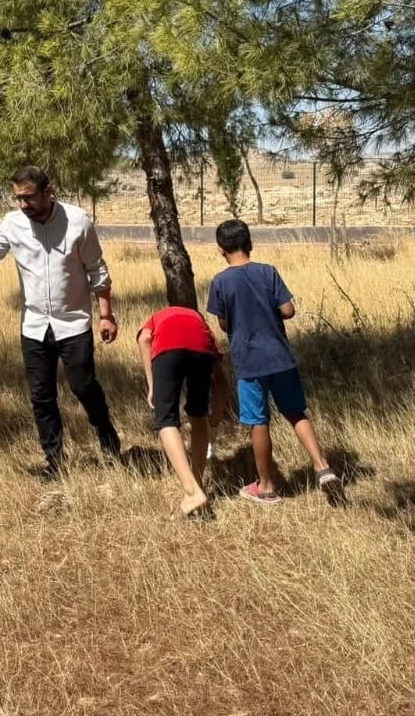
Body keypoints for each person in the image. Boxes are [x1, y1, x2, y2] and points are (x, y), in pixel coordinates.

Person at [0, 166, 120, 479]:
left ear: (49, 192)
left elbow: (97, 271)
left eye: (30, 197)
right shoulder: (13, 224)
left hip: (74, 323)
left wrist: (106, 315)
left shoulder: (78, 221)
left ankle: (106, 434)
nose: (23, 205)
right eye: (18, 198)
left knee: (83, 386)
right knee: (41, 396)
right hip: (34, 326)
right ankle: (55, 463)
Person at [206, 219, 341, 504]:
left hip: (249, 363)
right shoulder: (268, 272)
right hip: (280, 357)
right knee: (295, 412)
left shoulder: (220, 281)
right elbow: (288, 310)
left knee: (258, 422)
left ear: (220, 249)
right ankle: (322, 467)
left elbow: (223, 323)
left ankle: (266, 486)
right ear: (250, 243)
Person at [137, 305, 228, 516]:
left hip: (167, 348)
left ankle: (191, 491)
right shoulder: (202, 325)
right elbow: (221, 380)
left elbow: (144, 339)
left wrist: (151, 384)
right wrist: (215, 416)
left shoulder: (156, 318)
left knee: (165, 419)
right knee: (198, 414)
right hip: (201, 350)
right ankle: (197, 482)